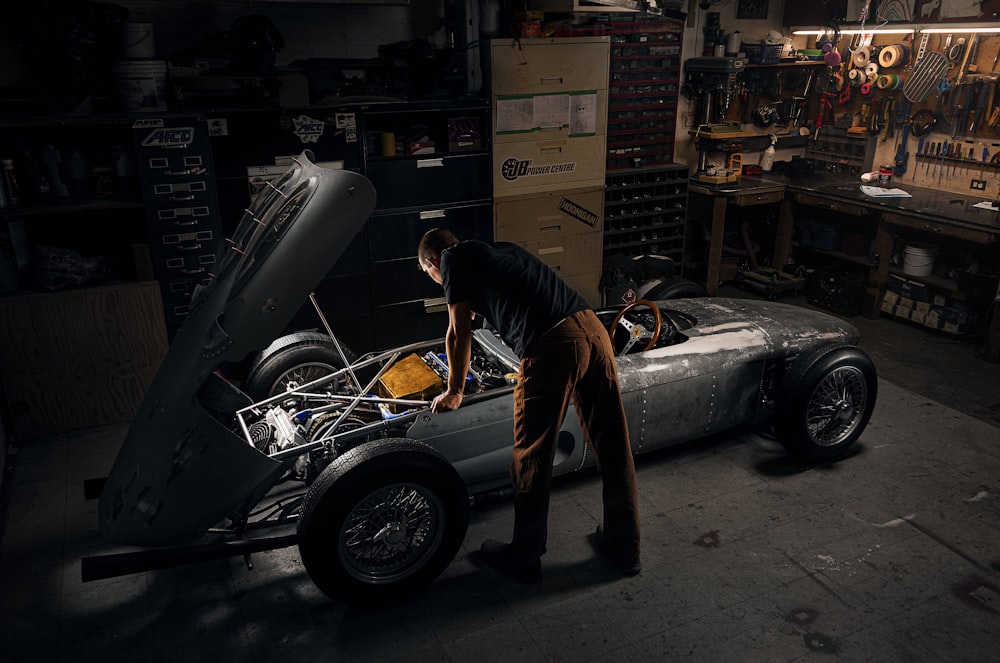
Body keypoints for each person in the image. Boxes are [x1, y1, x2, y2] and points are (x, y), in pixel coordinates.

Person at [417, 228, 641, 583]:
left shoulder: (450, 259)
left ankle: (523, 556)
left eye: (429, 275)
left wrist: (455, 390)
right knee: (613, 445)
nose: (435, 279)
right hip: (593, 330)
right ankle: (625, 546)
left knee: (532, 456)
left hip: (553, 345)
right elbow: (478, 312)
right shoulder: (498, 250)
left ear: (431, 262)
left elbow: (459, 332)